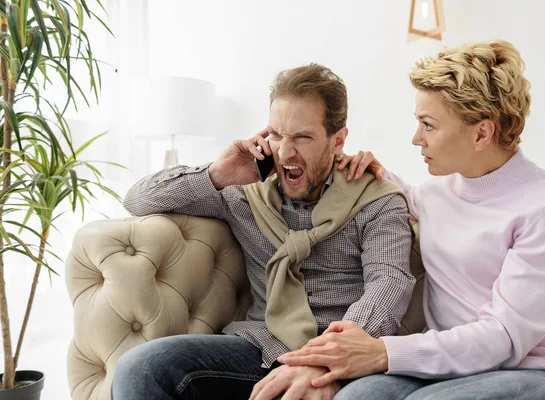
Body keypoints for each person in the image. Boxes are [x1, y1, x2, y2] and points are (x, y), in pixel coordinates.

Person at [251, 41, 545, 399]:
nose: (416, 138)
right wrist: (370, 169)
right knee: (356, 396)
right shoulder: (436, 193)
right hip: (456, 372)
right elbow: (392, 195)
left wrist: (384, 353)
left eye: (429, 125)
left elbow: (506, 337)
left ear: (481, 133)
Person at [111, 63, 415, 399]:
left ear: (338, 141)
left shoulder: (375, 199)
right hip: (261, 348)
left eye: (302, 136)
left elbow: (389, 282)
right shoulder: (245, 193)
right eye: (276, 134)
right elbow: (137, 199)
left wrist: (325, 357)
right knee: (140, 368)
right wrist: (218, 173)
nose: (285, 151)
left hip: (345, 360)